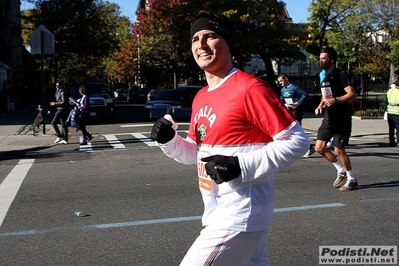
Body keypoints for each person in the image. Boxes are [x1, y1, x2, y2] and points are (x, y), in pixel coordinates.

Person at [151, 11, 309, 265]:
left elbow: (297, 141)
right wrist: (169, 141)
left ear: (228, 44)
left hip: (240, 215)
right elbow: (195, 152)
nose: (201, 44)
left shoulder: (250, 88)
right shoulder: (201, 95)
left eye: (210, 36)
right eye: (195, 39)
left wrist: (240, 166)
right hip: (216, 212)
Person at [314, 47, 358, 192]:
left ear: (332, 60)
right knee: (319, 148)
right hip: (329, 117)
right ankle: (341, 169)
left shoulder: (341, 74)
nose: (321, 61)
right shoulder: (322, 75)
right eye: (320, 58)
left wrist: (336, 100)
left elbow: (351, 94)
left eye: (324, 58)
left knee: (339, 150)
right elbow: (326, 95)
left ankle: (352, 179)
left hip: (342, 117)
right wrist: (321, 104)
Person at [278, 73, 314, 158]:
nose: (280, 83)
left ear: (286, 79)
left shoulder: (294, 87)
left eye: (281, 81)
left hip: (296, 111)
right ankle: (296, 147)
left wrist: (298, 103)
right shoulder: (283, 89)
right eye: (279, 81)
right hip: (288, 111)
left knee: (297, 130)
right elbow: (281, 100)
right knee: (290, 131)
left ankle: (309, 147)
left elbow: (305, 94)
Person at [384, 80, 399, 147]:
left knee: (391, 128)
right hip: (397, 113)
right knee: (398, 128)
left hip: (390, 112)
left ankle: (391, 142)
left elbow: (385, 102)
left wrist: (386, 109)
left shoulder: (389, 92)